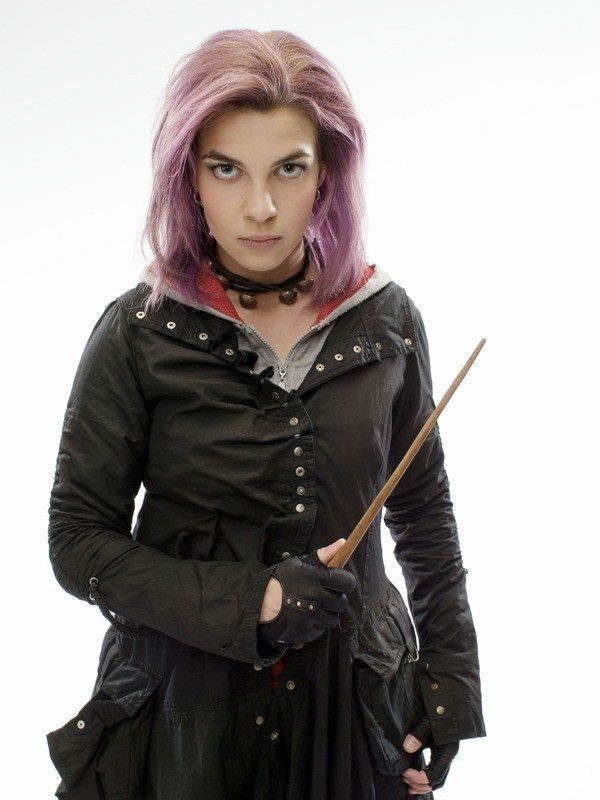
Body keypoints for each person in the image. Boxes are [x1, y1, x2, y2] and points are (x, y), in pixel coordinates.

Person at [45, 29, 486, 800]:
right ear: (189, 176)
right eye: (227, 169)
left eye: (289, 168)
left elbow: (423, 514)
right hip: (185, 725)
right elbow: (77, 541)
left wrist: (448, 691)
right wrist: (255, 602)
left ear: (326, 174)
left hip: (354, 715)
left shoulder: (386, 320)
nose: (260, 207)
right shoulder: (136, 333)